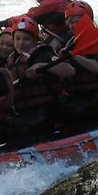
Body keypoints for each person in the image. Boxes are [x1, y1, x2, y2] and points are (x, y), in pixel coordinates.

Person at [5, 18, 74, 147]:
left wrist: (41, 65)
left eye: (26, 39)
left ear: (35, 40)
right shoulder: (11, 58)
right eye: (17, 38)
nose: (21, 43)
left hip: (45, 111)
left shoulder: (42, 53)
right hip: (24, 111)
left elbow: (69, 71)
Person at [54, 0, 98, 133]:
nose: (73, 25)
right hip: (77, 96)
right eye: (70, 22)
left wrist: (73, 55)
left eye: (77, 21)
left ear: (89, 20)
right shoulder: (71, 43)